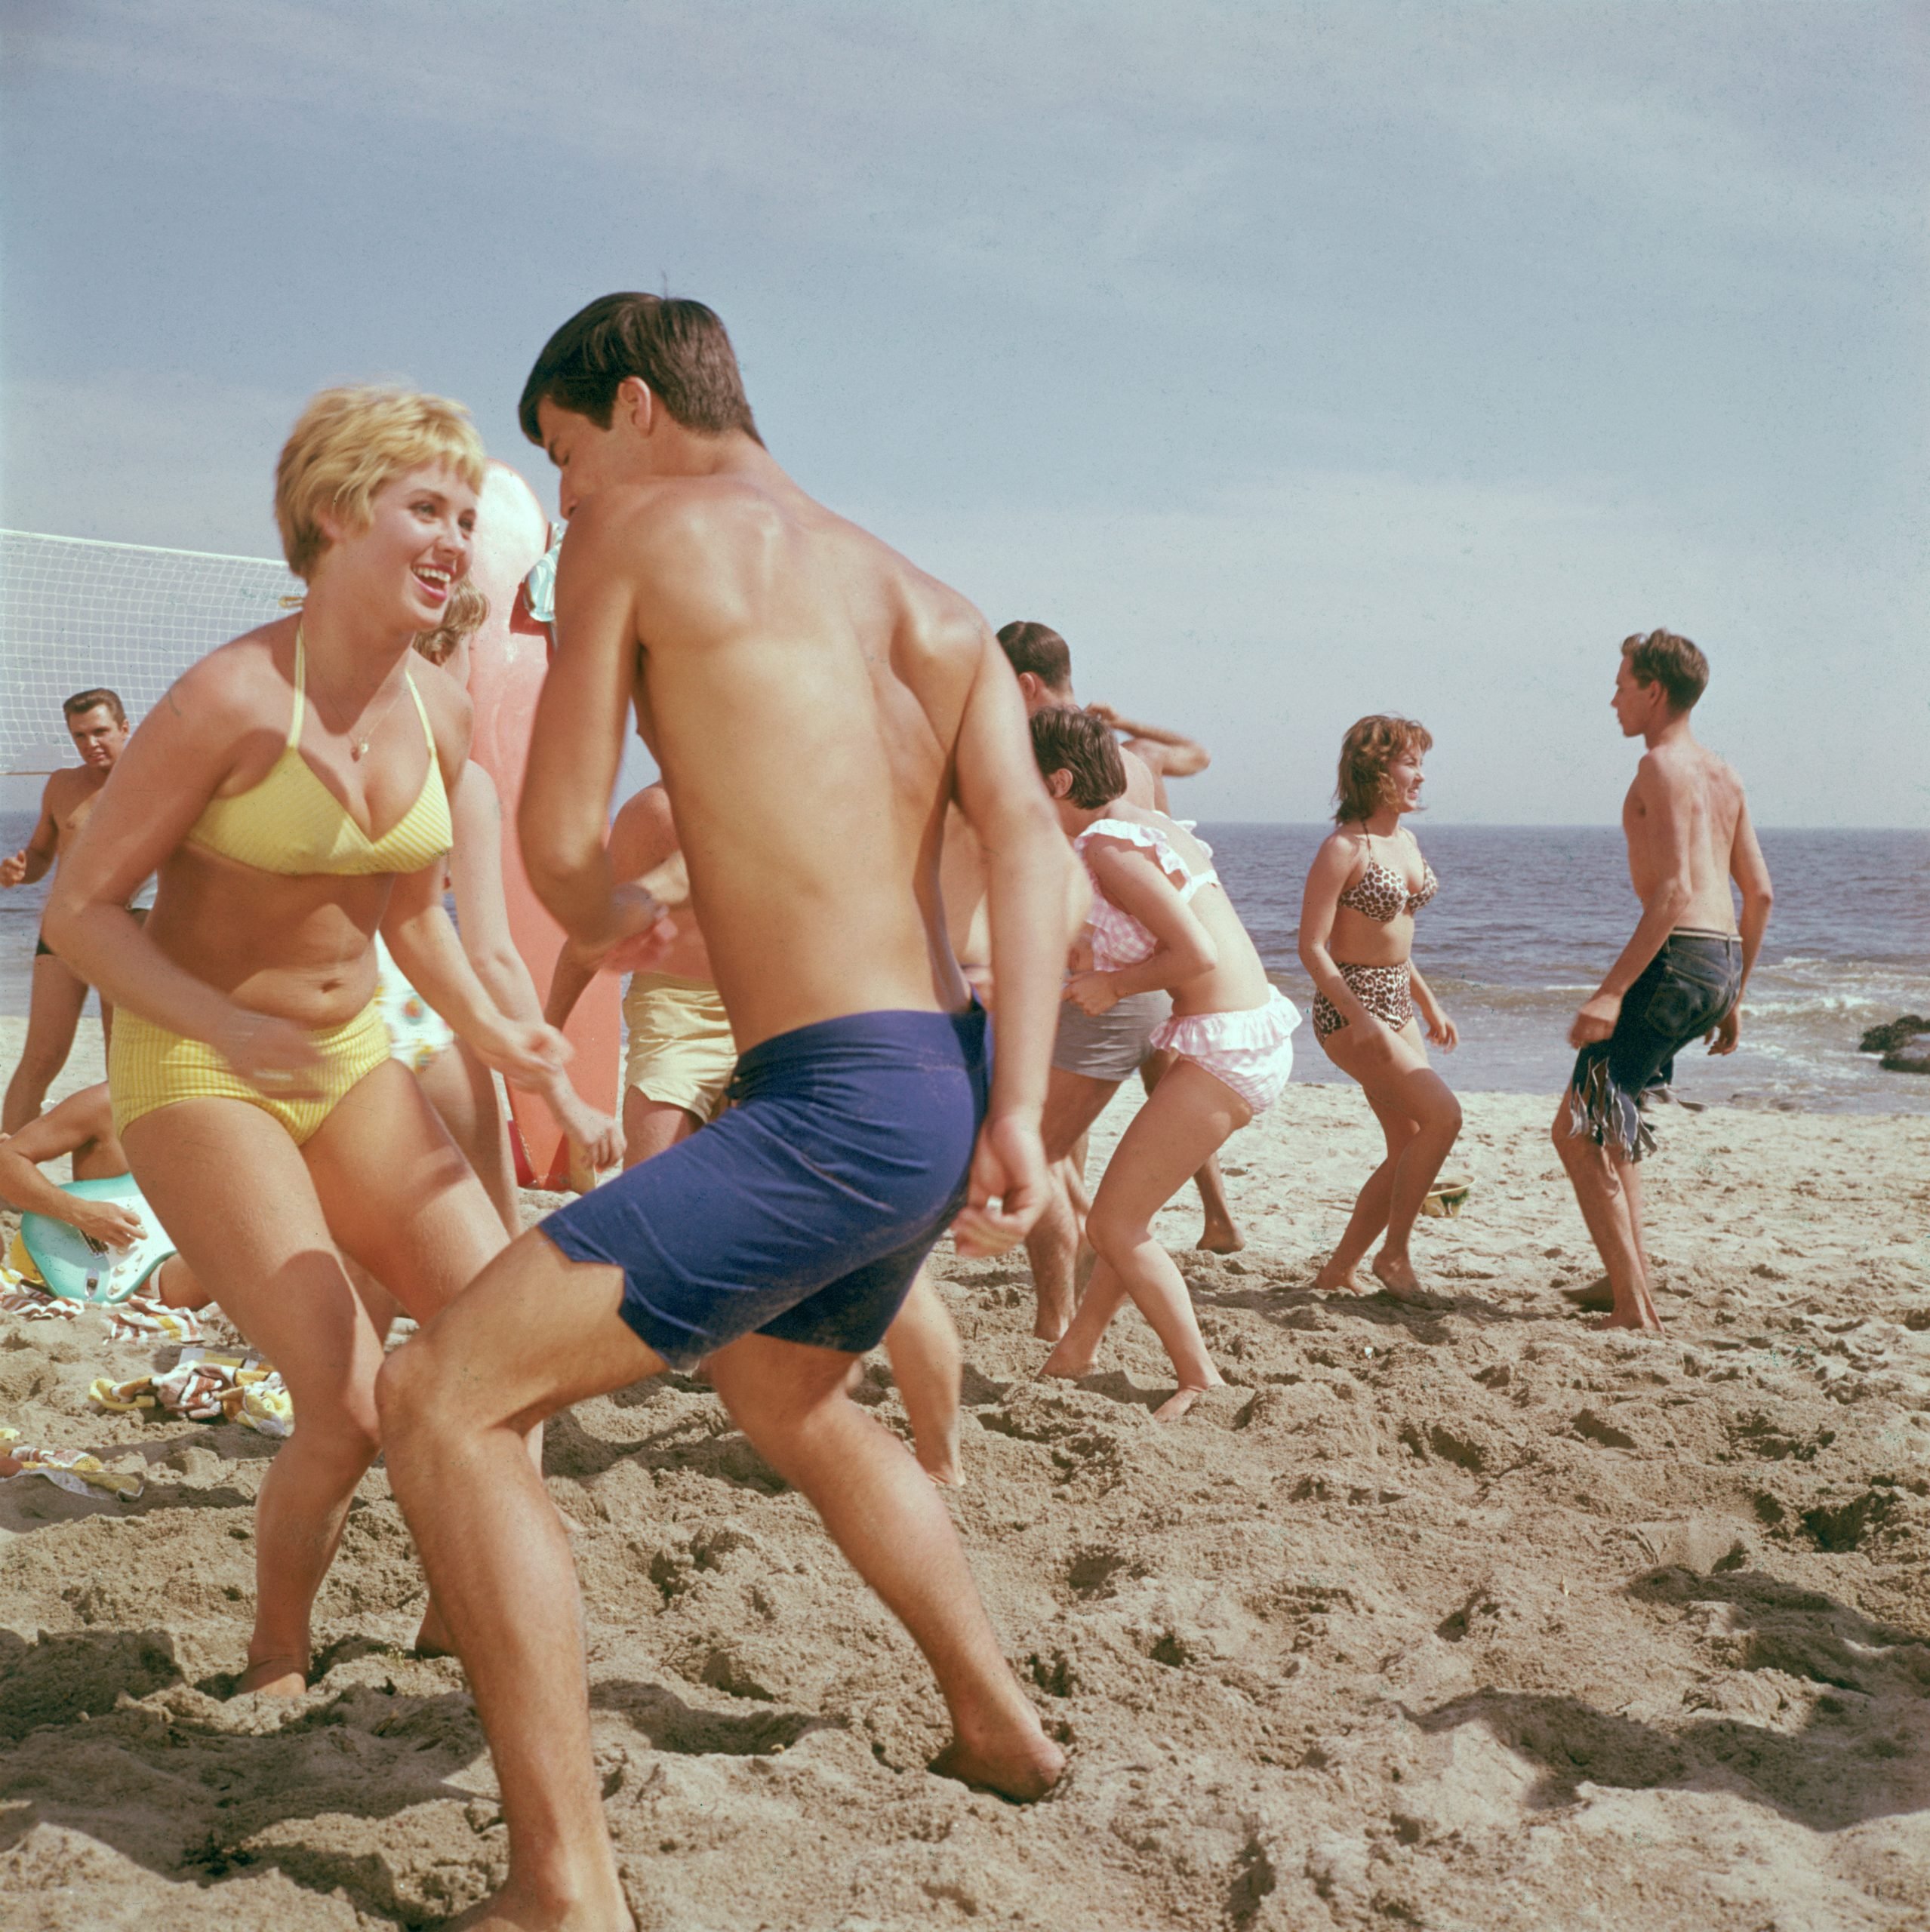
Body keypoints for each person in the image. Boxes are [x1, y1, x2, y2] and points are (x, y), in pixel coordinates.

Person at [377, 291, 1070, 1929]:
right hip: (939, 1073)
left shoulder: (651, 536)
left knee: (439, 1399)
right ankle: (999, 1722)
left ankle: (564, 1885)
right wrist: (1023, 1105)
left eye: (565, 461)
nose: (572, 505)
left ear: (629, 407)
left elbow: (558, 842)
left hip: (828, 1102)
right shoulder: (938, 603)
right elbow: (1030, 846)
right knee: (783, 1392)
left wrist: (605, 918)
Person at [45, 386, 568, 1695]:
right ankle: (279, 1658)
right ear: (336, 515)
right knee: (340, 1407)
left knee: (509, 1352)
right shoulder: (227, 698)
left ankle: (457, 1618)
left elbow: (416, 920)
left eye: (466, 515)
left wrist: (499, 1033)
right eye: (426, 509)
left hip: (346, 1064)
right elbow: (82, 909)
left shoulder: (437, 716)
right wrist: (224, 1026)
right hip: (198, 1061)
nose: (455, 538)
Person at [549, 780, 970, 1484]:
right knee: (648, 1202)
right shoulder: (663, 809)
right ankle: (732, 1358)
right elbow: (601, 932)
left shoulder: (816, 787)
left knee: (877, 1253)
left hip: (788, 1009)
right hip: (684, 1012)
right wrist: (548, 1041)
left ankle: (935, 1456)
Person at [1030, 706, 1298, 1420]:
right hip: (1235, 1033)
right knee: (1129, 1210)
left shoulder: (1109, 847)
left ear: (1058, 780)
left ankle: (1199, 1377)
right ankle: (1077, 1349)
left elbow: (1196, 955)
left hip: (1227, 1044)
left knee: (1114, 1225)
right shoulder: (1145, 823)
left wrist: (1110, 986)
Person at [995, 620, 1240, 1342]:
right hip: (1150, 978)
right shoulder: (1128, 758)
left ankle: (1057, 1315)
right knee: (1127, 1147)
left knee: (1042, 1153)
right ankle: (1208, 1224)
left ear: (1025, 686)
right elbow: (1194, 757)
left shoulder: (1048, 770)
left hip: (1116, 979)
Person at [1555, 629, 1771, 1333]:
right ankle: (1627, 1275)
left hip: (1675, 958)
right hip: (1717, 961)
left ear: (1653, 690)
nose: (1612, 697)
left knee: (1576, 1129)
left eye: (1621, 683)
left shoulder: (1661, 767)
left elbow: (1674, 891)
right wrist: (1732, 994)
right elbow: (1760, 895)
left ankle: (1631, 1307)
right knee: (1616, 1120)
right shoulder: (1724, 773)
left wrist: (1610, 992)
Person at [398, 578, 621, 1231]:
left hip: (280, 1015)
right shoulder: (459, 781)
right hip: (400, 1012)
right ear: (443, 656)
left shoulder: (320, 744)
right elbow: (491, 957)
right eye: (469, 649)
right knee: (492, 1234)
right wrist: (562, 1097)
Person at [1297, 716, 1462, 1301]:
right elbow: (1312, 948)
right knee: (1444, 1118)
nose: (1420, 776)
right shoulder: (1343, 848)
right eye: (1410, 763)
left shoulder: (1406, 842)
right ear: (1374, 771)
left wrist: (1428, 1003)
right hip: (1350, 1010)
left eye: (1420, 763)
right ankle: (1393, 1256)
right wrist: (1360, 1016)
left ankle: (1339, 1269)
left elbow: (1394, 938)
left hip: (1396, 1002)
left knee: (1409, 1141)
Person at [2, 690, 135, 1131]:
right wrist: (21, 870)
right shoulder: (62, 784)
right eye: (79, 735)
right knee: (40, 1056)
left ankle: (124, 1178)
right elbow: (41, 855)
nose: (90, 743)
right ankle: (7, 1178)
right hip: (65, 930)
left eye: (100, 732)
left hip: (128, 931)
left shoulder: (154, 783)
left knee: (124, 1061)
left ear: (124, 728)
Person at [0, 1080, 206, 1309]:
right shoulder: (107, 1102)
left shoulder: (232, 1114)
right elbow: (6, 1161)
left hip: (186, 1256)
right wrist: (81, 1213)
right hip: (113, 1271)